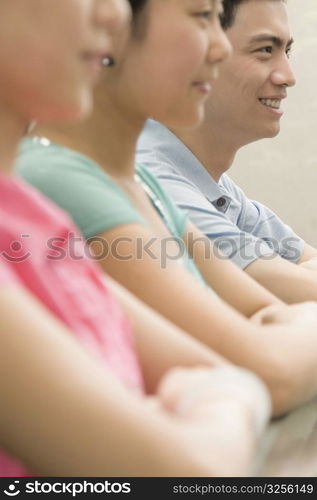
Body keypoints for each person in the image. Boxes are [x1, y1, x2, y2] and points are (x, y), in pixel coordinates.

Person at [0, 0, 272, 478]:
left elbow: (236, 366)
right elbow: (192, 471)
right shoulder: (57, 180)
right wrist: (225, 401)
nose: (113, 17)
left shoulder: (33, 213)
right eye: (200, 16)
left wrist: (222, 392)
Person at [136, 0, 317, 304]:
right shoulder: (148, 175)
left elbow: (302, 272)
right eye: (264, 50)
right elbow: (280, 291)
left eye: (285, 52)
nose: (288, 76)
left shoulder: (214, 187)